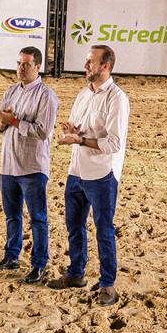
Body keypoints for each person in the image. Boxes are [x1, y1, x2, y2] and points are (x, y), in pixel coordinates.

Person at [49, 45, 129, 308]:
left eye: (90, 62)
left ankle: (108, 285)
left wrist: (80, 139)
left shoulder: (117, 99)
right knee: (74, 226)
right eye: (86, 61)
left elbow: (114, 143)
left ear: (105, 66)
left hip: (102, 173)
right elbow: (77, 127)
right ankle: (76, 274)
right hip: (77, 170)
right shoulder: (84, 94)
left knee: (104, 230)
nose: (85, 66)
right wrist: (71, 130)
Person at [0, 47, 60, 285]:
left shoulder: (46, 95)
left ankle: (39, 264)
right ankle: (11, 256)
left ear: (38, 67)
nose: (21, 68)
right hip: (8, 165)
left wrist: (13, 121)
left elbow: (43, 131)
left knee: (37, 218)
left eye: (26, 64)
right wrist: (2, 123)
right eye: (19, 63)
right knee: (12, 216)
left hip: (32, 167)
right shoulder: (10, 91)